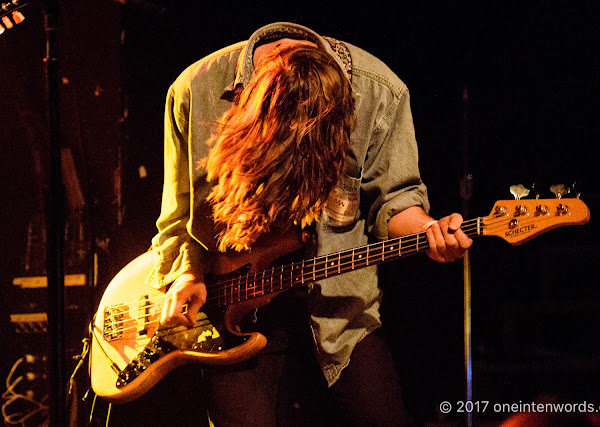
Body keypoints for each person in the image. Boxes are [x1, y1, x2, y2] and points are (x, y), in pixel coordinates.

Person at [147, 21, 472, 426]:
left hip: (342, 315)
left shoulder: (379, 91)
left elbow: (394, 200)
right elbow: (178, 218)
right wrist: (186, 275)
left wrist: (429, 233)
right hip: (231, 312)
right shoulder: (194, 90)